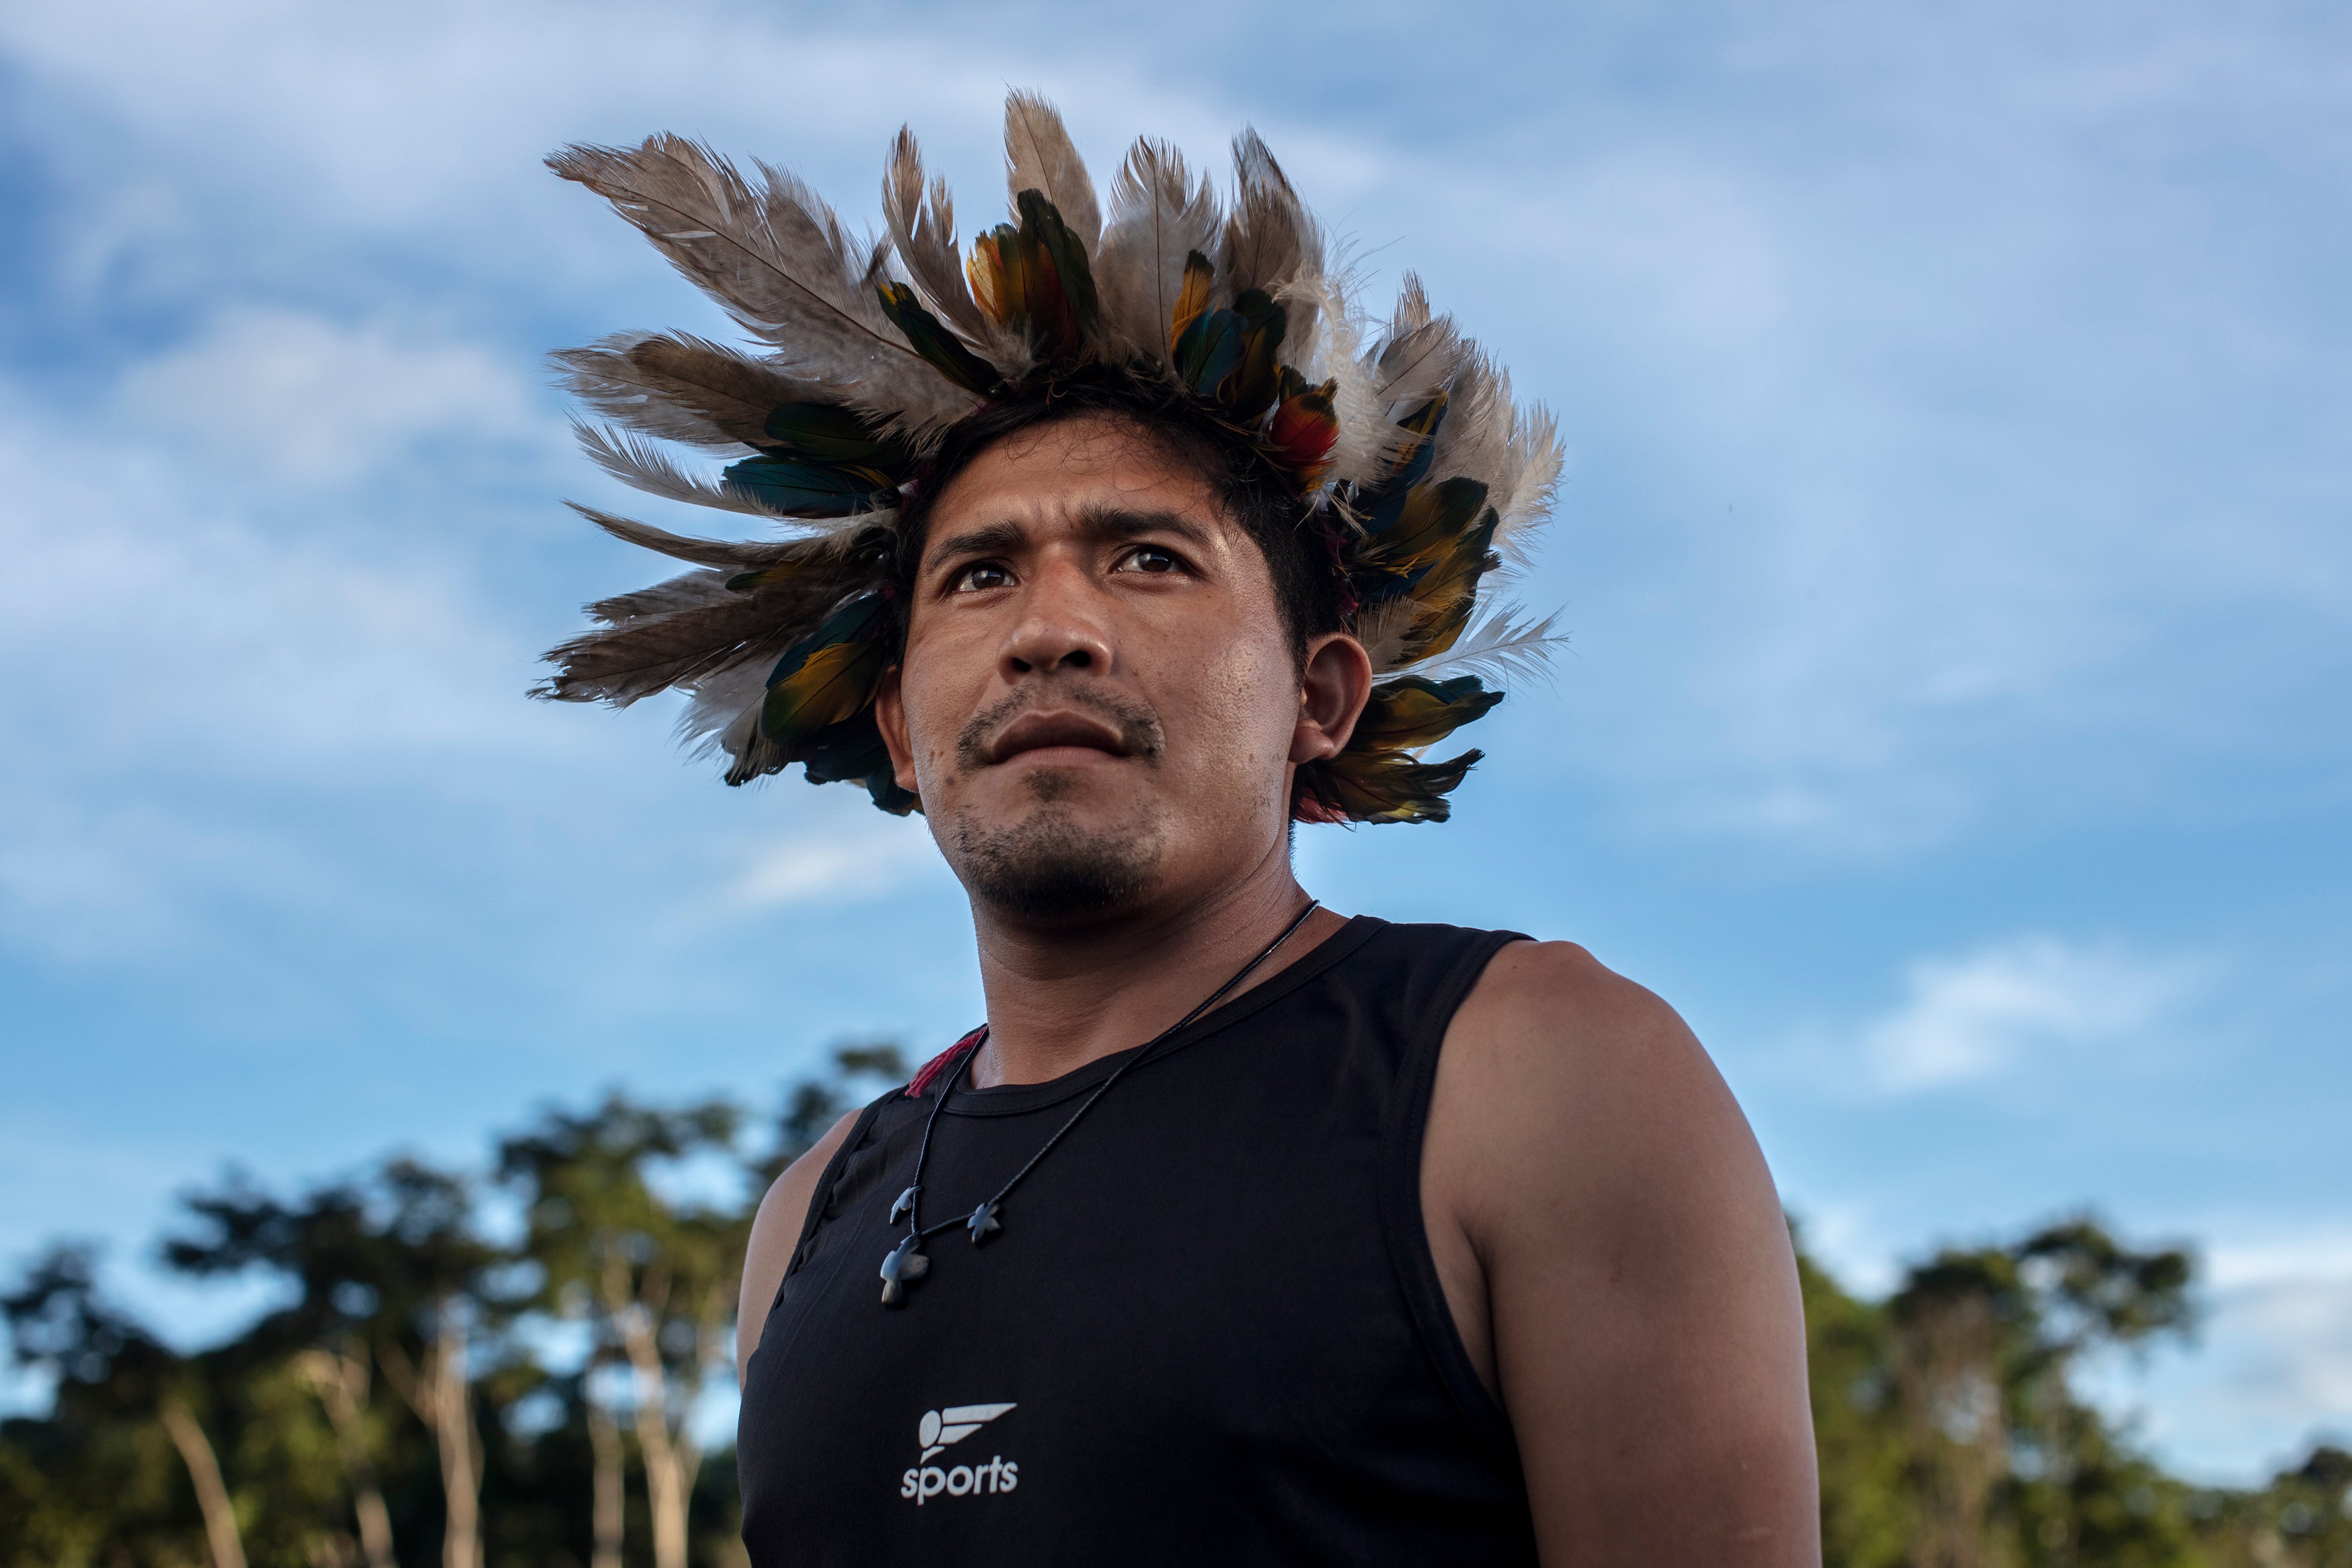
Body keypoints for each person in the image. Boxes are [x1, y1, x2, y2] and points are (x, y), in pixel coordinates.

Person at [539, 93, 1818, 1566]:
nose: (1051, 630)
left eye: (1148, 557)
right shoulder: (809, 1215)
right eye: (976, 576)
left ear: (1319, 699)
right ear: (896, 723)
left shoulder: (1537, 1071)